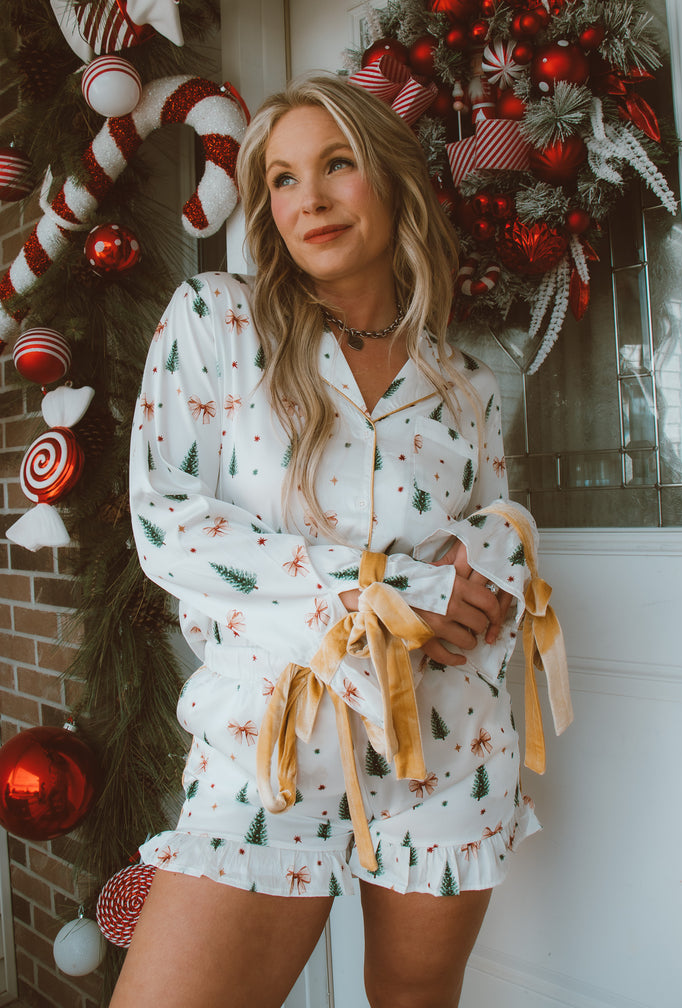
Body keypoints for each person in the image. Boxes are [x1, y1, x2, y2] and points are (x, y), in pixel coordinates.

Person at [114, 73, 557, 1008]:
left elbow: (497, 538)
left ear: (391, 181)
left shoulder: (464, 383)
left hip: (444, 748)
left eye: (337, 165)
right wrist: (378, 589)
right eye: (282, 179)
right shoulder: (216, 321)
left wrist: (482, 569)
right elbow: (167, 524)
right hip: (269, 747)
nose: (308, 198)